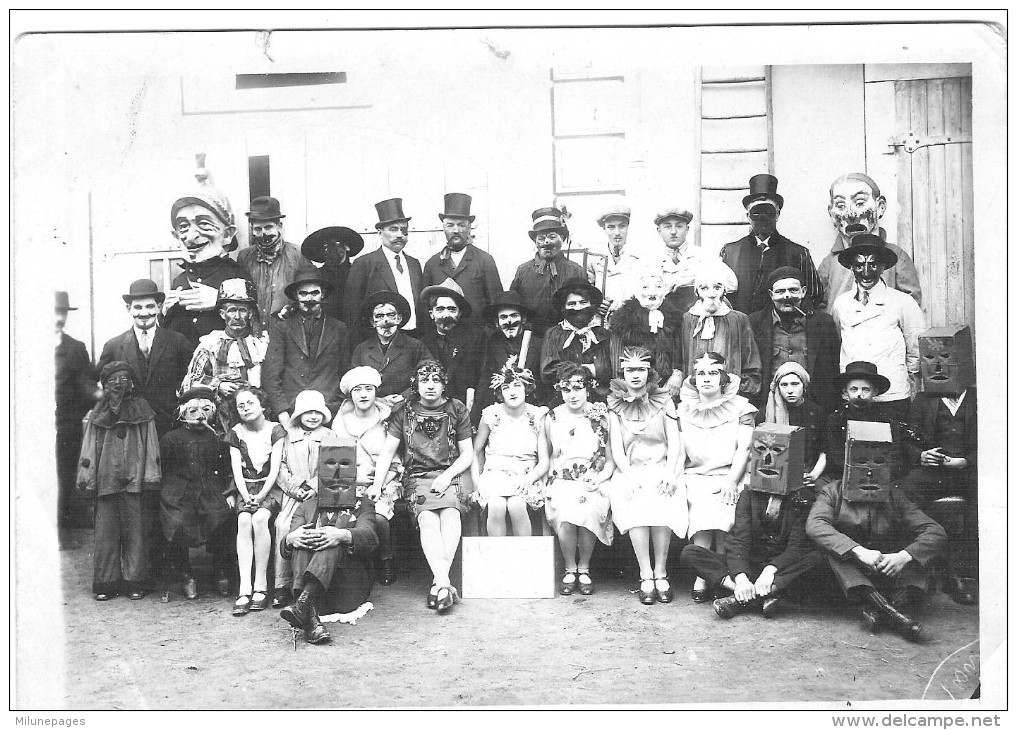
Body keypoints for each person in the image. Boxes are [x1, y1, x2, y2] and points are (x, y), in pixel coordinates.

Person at [807, 431, 947, 642]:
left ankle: (879, 611)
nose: (870, 472)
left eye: (878, 463)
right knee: (830, 552)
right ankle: (894, 614)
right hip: (850, 576)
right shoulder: (831, 492)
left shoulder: (895, 495)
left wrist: (904, 556)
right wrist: (859, 552)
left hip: (888, 569)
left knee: (923, 555)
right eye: (861, 463)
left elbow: (935, 531)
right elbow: (815, 525)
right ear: (848, 465)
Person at [680, 423, 823, 620]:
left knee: (816, 558)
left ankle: (741, 600)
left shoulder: (803, 498)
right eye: (762, 450)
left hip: (779, 569)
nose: (768, 459)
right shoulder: (749, 494)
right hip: (749, 565)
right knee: (690, 553)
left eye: (777, 452)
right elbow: (739, 540)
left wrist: (770, 571)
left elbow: (795, 547)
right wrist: (740, 577)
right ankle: (751, 594)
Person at [371, 360, 474, 613]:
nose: (430, 386)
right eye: (424, 380)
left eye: (436, 380)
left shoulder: (456, 409)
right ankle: (443, 583)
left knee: (450, 514)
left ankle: (438, 584)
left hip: (451, 474)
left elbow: (467, 454)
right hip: (417, 475)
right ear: (415, 384)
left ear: (443, 384)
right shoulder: (404, 411)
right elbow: (387, 452)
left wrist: (447, 476)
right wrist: (377, 484)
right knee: (428, 518)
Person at [898, 326, 978, 606]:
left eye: (946, 357)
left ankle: (964, 576)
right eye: (932, 358)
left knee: (984, 505)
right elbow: (907, 440)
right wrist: (921, 455)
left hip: (970, 472)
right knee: (902, 494)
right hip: (934, 472)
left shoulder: (980, 399)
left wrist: (966, 460)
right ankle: (920, 568)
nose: (939, 365)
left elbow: (999, 441)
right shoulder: (923, 400)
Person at [606, 347, 687, 605]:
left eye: (641, 369)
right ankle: (645, 574)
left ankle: (661, 572)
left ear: (649, 372)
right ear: (623, 373)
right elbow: (617, 450)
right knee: (636, 503)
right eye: (630, 370)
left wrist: (669, 473)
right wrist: (629, 476)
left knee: (662, 499)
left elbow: (674, 443)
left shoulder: (664, 401)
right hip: (630, 470)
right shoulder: (614, 405)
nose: (636, 375)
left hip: (663, 466)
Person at [77, 361, 161, 601]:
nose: (118, 385)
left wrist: (150, 477)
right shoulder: (98, 413)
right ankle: (106, 583)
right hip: (105, 481)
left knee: (136, 533)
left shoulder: (143, 410)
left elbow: (152, 445)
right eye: (112, 381)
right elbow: (88, 452)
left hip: (135, 482)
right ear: (104, 385)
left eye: (123, 379)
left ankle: (135, 581)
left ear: (132, 382)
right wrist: (87, 482)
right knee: (105, 535)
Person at [677, 352, 756, 603]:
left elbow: (744, 448)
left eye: (713, 373)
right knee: (700, 503)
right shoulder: (682, 410)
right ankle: (704, 574)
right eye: (701, 373)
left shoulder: (742, 408)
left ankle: (724, 573)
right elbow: (679, 451)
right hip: (696, 474)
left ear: (723, 378)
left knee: (727, 505)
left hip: (731, 473)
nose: (706, 379)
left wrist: (732, 480)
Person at [829, 234, 925, 419]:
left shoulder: (902, 302)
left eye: (873, 265)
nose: (866, 272)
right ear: (851, 267)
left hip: (892, 395)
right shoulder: (841, 304)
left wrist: (913, 386)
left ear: (883, 267)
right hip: (854, 395)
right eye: (859, 265)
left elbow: (916, 349)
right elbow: (837, 341)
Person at [539, 362, 615, 596]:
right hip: (560, 479)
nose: (572, 395)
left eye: (577, 388)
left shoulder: (601, 414)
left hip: (593, 478)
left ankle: (584, 567)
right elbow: (545, 459)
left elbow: (610, 461)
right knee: (565, 511)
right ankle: (570, 567)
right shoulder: (550, 417)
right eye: (566, 389)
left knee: (588, 507)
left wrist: (599, 478)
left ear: (588, 388)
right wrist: (542, 484)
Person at [280, 479, 380, 645]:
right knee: (301, 539)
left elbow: (370, 536)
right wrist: (290, 539)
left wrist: (342, 535)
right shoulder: (306, 506)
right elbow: (287, 545)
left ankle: (303, 604)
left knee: (334, 539)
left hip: (346, 589)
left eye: (344, 484)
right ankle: (307, 610)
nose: (338, 489)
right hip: (319, 597)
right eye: (332, 485)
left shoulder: (363, 504)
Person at [158, 386, 235, 602]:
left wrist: (229, 493)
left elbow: (227, 468)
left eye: (205, 410)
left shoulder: (218, 438)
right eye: (193, 411)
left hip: (211, 488)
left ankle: (220, 570)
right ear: (183, 413)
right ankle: (186, 574)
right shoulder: (171, 439)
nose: (200, 415)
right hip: (179, 490)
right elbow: (164, 470)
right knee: (177, 521)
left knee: (219, 516)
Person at [332, 366, 404, 587]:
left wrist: (381, 482)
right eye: (357, 390)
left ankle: (385, 559)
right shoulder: (341, 421)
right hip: (349, 481)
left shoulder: (388, 419)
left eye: (368, 389)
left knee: (378, 516)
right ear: (350, 394)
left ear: (376, 392)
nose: (363, 395)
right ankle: (352, 570)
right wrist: (353, 479)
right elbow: (334, 458)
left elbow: (396, 460)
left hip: (384, 481)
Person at [98, 279, 195, 436]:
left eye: (150, 306)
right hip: (129, 428)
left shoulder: (178, 341)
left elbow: (192, 379)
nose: (144, 313)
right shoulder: (114, 345)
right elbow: (102, 384)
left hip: (169, 427)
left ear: (159, 307)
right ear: (129, 309)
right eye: (137, 307)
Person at [262, 263, 351, 427]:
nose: (309, 299)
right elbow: (271, 374)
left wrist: (337, 407)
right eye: (303, 293)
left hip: (329, 409)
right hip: (291, 410)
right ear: (296, 296)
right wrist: (282, 414)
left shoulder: (339, 328)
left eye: (314, 293)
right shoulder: (282, 326)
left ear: (322, 295)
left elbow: (345, 373)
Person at [817, 172, 922, 310]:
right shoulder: (829, 263)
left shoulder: (896, 255)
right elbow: (819, 307)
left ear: (880, 207)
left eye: (860, 203)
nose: (850, 214)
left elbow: (910, 304)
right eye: (841, 206)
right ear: (832, 214)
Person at [720, 174, 822, 314]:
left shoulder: (798, 253)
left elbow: (813, 295)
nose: (763, 218)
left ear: (778, 214)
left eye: (769, 212)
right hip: (740, 330)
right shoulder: (730, 252)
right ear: (748, 217)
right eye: (756, 213)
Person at [179, 278, 269, 435]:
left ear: (250, 313)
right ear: (222, 314)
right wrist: (218, 385)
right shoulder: (210, 344)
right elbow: (188, 383)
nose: (237, 316)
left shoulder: (261, 343)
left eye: (242, 310)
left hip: (257, 415)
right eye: (231, 310)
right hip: (222, 419)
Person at [163, 186, 251, 346]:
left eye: (203, 224)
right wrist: (165, 312)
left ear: (227, 235)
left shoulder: (236, 276)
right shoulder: (180, 281)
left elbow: (254, 326)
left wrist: (220, 299)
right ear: (176, 236)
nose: (190, 237)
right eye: (183, 226)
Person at [224, 386, 285, 616]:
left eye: (250, 403)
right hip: (246, 488)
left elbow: (276, 469)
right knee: (243, 521)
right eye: (241, 406)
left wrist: (260, 497)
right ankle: (244, 587)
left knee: (260, 519)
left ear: (262, 405)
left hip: (269, 487)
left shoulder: (275, 430)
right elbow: (237, 472)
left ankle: (261, 585)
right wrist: (246, 494)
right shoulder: (235, 433)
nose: (246, 408)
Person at [747, 266, 841, 414]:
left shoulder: (824, 323)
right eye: (780, 291)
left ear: (803, 291)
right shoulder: (754, 323)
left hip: (813, 406)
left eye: (793, 290)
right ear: (771, 295)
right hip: (769, 404)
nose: (787, 296)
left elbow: (833, 367)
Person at [274, 389, 337, 608]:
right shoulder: (287, 436)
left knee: (317, 528)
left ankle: (307, 584)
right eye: (307, 412)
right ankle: (281, 584)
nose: (312, 416)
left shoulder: (330, 436)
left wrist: (314, 486)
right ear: (298, 415)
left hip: (319, 494)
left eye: (317, 412)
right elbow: (279, 466)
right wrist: (294, 487)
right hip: (293, 495)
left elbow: (335, 465)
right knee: (283, 525)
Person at [472, 358, 548, 537]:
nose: (512, 392)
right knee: (496, 506)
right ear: (500, 393)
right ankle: (498, 558)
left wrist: (529, 479)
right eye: (506, 388)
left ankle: (523, 557)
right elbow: (476, 451)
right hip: (495, 472)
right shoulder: (492, 414)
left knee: (516, 505)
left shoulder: (537, 416)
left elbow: (544, 460)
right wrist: (477, 484)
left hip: (525, 474)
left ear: (526, 388)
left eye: (517, 386)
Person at [343, 198, 424, 342]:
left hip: (414, 339)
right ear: (380, 233)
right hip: (379, 341)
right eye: (393, 230)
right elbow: (352, 312)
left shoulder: (414, 264)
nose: (399, 235)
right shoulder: (364, 264)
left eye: (403, 230)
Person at [680, 259, 763, 399]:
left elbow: (751, 361)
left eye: (717, 288)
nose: (711, 294)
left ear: (725, 290)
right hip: (693, 397)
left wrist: (741, 390)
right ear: (696, 292)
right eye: (704, 288)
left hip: (730, 397)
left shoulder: (738, 319)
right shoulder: (686, 320)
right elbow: (679, 358)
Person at [421, 193, 503, 327]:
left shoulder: (484, 260)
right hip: (443, 337)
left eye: (461, 225)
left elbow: (496, 304)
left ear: (469, 228)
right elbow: (425, 307)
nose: (456, 230)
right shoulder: (432, 264)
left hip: (477, 338)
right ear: (443, 228)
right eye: (450, 225)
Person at [55, 291, 98, 528]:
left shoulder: (75, 348)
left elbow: (87, 386)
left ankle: (64, 528)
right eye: (53, 312)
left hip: (66, 427)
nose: (57, 317)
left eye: (61, 312)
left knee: (65, 474)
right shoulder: (21, 345)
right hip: (29, 426)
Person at [540, 278, 620, 403]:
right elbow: (548, 372)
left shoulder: (605, 336)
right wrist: (590, 370)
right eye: (571, 304)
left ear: (591, 304)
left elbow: (614, 370)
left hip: (600, 402)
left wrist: (569, 370)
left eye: (583, 302)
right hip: (565, 401)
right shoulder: (553, 334)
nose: (578, 308)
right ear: (563, 307)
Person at [509, 207, 586, 336]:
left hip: (567, 336)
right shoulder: (523, 271)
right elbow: (513, 305)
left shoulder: (575, 270)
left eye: (552, 237)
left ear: (561, 239)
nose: (546, 242)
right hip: (531, 337)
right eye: (541, 238)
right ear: (535, 242)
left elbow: (584, 307)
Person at [607, 271, 685, 397]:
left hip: (667, 389)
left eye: (658, 287)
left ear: (665, 291)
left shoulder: (675, 318)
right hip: (633, 389)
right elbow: (617, 360)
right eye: (645, 287)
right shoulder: (623, 319)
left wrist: (677, 375)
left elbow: (679, 353)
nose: (652, 293)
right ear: (636, 291)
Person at [349, 290, 433, 407]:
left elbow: (428, 375)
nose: (386, 321)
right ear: (372, 322)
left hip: (405, 406)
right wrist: (378, 400)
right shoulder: (361, 349)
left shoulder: (415, 346)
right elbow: (353, 382)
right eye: (379, 316)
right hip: (372, 407)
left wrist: (405, 396)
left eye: (391, 315)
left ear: (399, 318)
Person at [472, 291, 547, 421]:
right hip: (503, 413)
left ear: (523, 319)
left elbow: (546, 384)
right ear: (497, 323)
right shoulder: (492, 345)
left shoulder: (539, 344)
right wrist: (475, 418)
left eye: (514, 315)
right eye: (503, 317)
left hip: (533, 411)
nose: (509, 321)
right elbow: (485, 383)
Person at [236, 196, 312, 320]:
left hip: (287, 330)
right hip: (255, 331)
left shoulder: (298, 255)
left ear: (279, 226)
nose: (263, 234)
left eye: (268, 227)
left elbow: (310, 294)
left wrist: (293, 308)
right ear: (252, 229)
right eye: (258, 229)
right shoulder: (245, 257)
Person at [419, 277, 486, 412]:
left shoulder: (476, 339)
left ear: (459, 313)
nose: (446, 315)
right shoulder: (423, 342)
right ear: (431, 314)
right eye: (440, 309)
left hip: (465, 408)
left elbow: (482, 379)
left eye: (451, 309)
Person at [761, 362, 827, 490]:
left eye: (795, 384)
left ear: (804, 385)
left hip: (809, 470)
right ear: (778, 387)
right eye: (784, 385)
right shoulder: (766, 413)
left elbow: (823, 452)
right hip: (774, 471)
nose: (790, 390)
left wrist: (813, 475)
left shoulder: (816, 412)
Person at [587, 201, 643, 316]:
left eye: (622, 226)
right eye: (611, 227)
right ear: (604, 229)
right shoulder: (594, 257)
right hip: (601, 320)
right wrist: (594, 303)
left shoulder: (641, 257)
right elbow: (586, 289)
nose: (617, 233)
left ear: (628, 227)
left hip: (631, 320)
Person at [300, 226, 364, 323]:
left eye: (334, 244)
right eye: (325, 246)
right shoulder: (316, 275)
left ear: (346, 247)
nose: (329, 250)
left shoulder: (358, 272)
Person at [654, 207, 702, 314]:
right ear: (659, 231)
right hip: (662, 320)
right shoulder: (650, 259)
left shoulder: (702, 255)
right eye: (667, 227)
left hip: (696, 318)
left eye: (679, 226)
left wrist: (695, 280)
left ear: (687, 229)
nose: (673, 232)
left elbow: (731, 283)